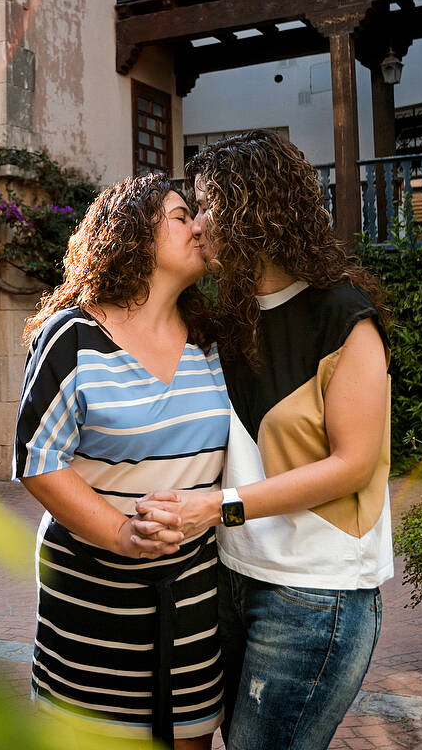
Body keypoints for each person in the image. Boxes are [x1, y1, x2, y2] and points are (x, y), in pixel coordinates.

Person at [135, 130, 392, 750]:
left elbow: (353, 466)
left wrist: (216, 507)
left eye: (206, 205)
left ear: (251, 208)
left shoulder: (343, 316)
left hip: (316, 593)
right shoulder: (230, 317)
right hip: (232, 574)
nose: (196, 224)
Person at [14, 173, 231, 750]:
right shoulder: (73, 335)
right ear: (132, 232)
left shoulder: (212, 341)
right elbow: (38, 459)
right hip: (90, 604)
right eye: (182, 215)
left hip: (190, 600)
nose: (199, 226)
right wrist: (121, 534)